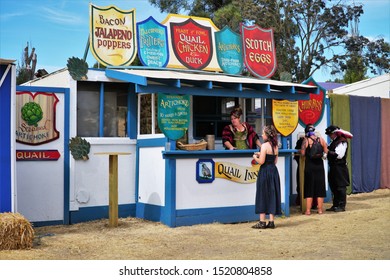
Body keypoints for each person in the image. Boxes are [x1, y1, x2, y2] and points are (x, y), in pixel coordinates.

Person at [251, 125, 281, 229]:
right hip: (273, 171)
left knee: (262, 194)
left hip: (265, 172)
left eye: (263, 133)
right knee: (272, 194)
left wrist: (255, 157)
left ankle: (262, 221)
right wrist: (263, 154)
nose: (262, 135)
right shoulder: (276, 146)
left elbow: (261, 161)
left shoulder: (264, 145)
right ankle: (271, 221)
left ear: (267, 135)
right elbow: (275, 161)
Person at [300, 124, 328, 215]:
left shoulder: (306, 140)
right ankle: (320, 210)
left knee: (309, 187)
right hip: (319, 166)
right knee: (320, 188)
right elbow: (326, 150)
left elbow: (303, 153)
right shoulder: (321, 139)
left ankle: (308, 210)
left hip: (309, 166)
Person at [325, 125, 351, 212]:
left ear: (335, 133)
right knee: (334, 186)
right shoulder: (334, 142)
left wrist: (327, 152)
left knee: (341, 186)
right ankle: (335, 204)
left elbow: (339, 155)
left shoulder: (342, 142)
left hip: (340, 167)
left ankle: (341, 205)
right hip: (333, 166)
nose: (329, 136)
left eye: (330, 134)